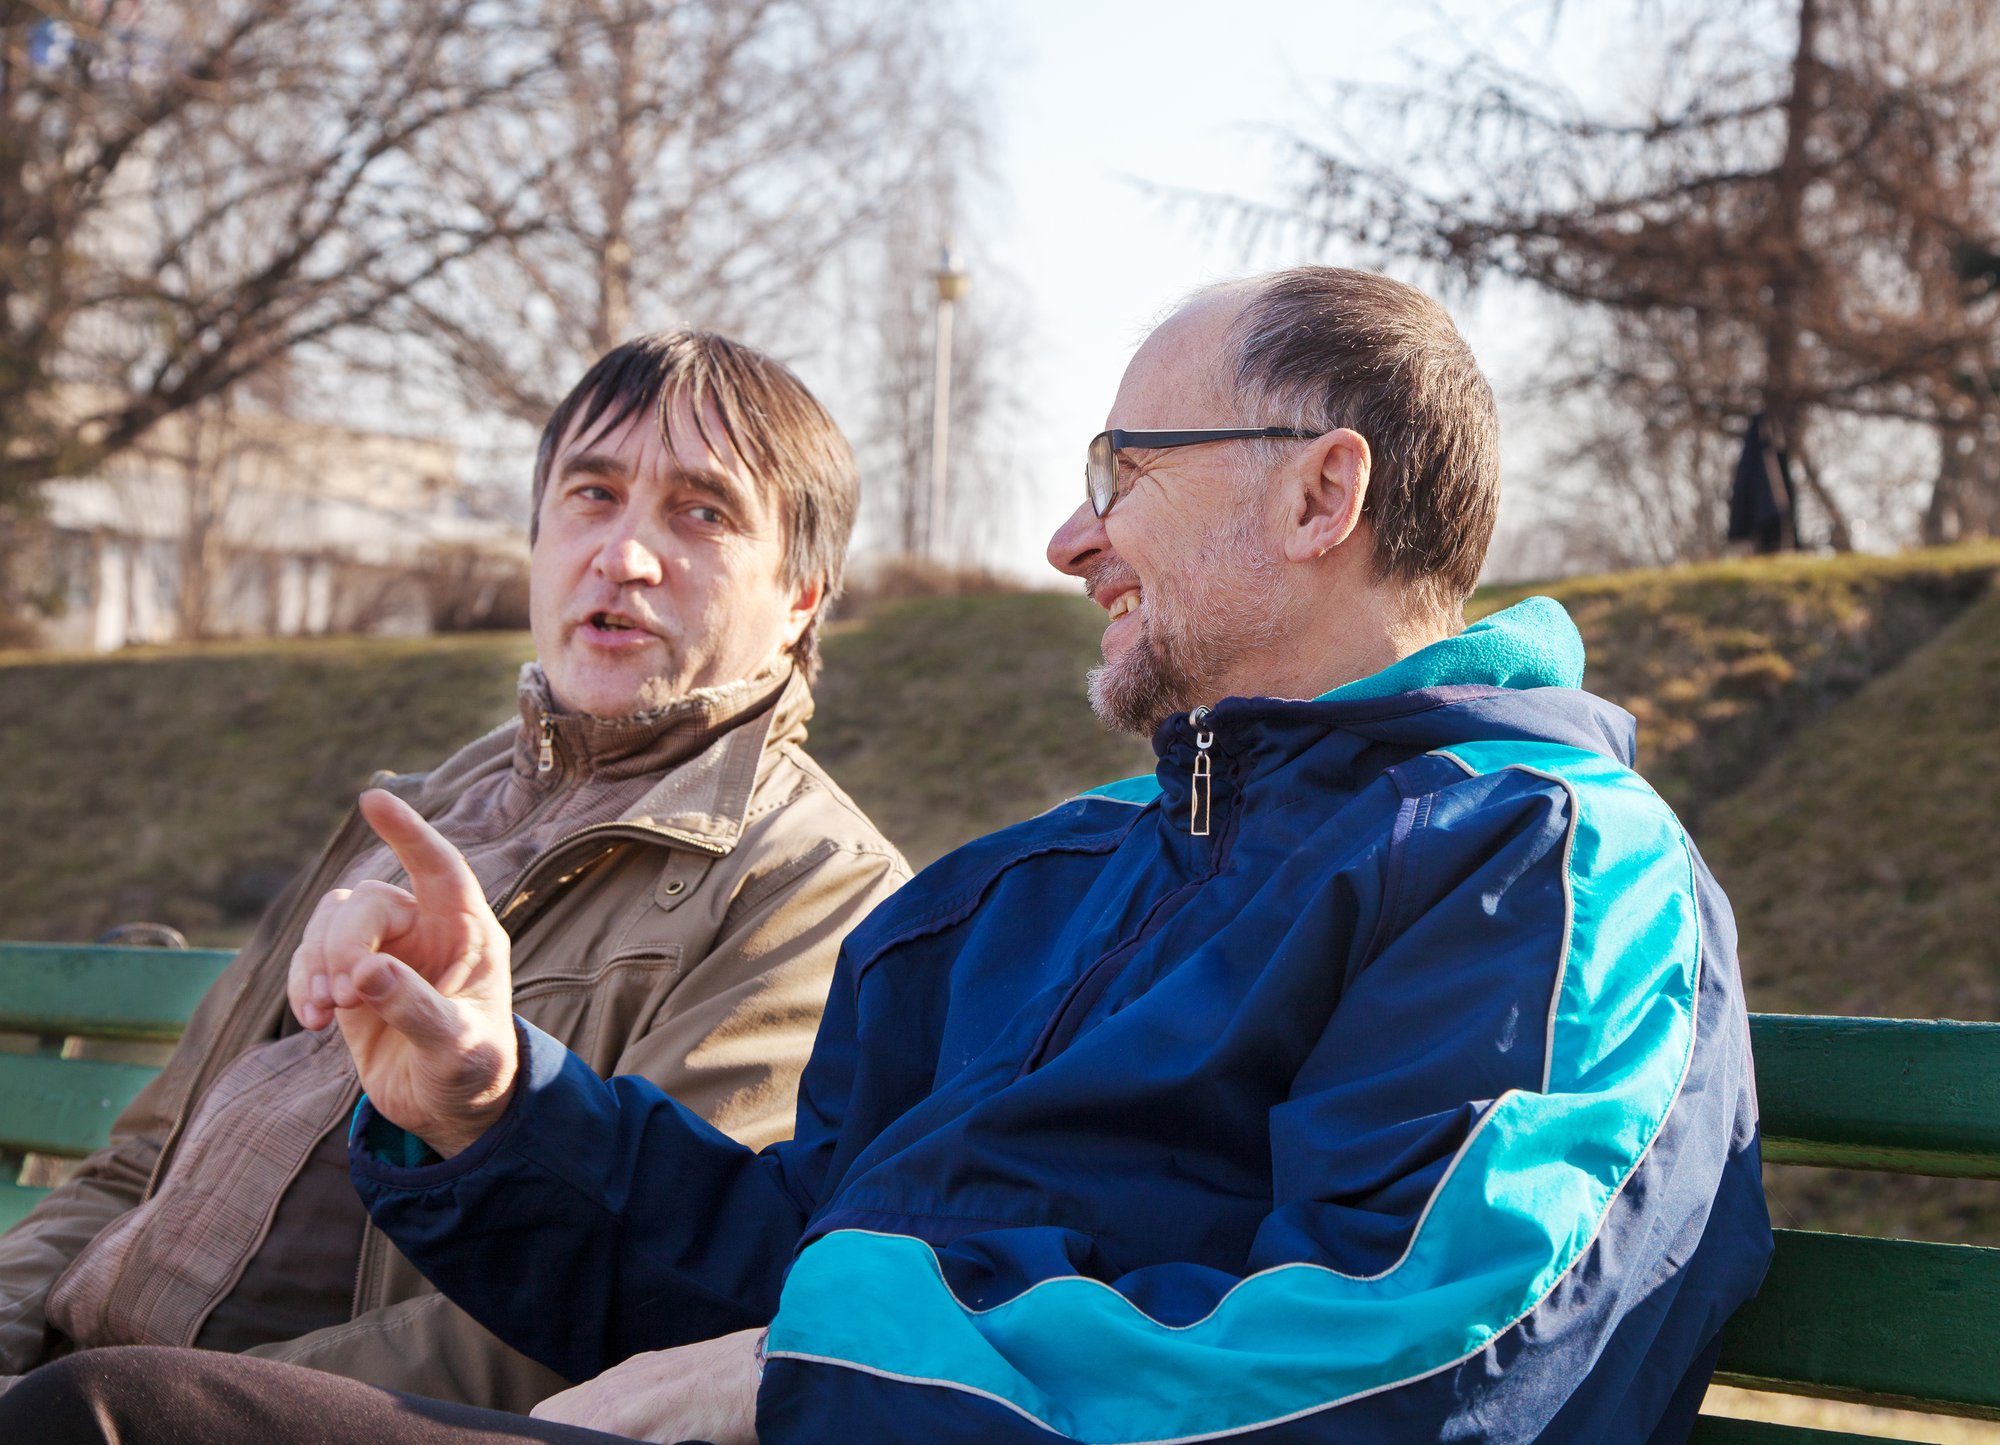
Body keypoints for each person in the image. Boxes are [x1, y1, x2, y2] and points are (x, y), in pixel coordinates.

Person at [2, 267, 1772, 1444]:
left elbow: (1442, 1356)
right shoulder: (1026, 892)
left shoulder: (1545, 866)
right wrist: (487, 1104)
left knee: (120, 1424)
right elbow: (783, 1251)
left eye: (1121, 469)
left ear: (1324, 495)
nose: (1070, 532)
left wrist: (826, 1373)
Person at [0, 332, 908, 1413]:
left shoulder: (813, 887)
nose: (622, 556)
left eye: (701, 512)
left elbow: (639, 1291)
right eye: (591, 494)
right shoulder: (410, 813)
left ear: (802, 595)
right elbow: (137, 1157)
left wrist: (147, 1401)